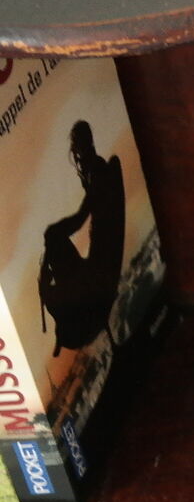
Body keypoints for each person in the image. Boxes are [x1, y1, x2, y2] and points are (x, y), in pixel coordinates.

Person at [38, 121, 126, 355]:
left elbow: (80, 218)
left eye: (77, 150)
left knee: (54, 238)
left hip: (100, 267)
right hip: (101, 260)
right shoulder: (95, 170)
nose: (76, 157)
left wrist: (52, 233)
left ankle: (72, 319)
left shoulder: (96, 171)